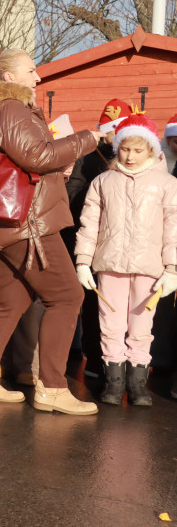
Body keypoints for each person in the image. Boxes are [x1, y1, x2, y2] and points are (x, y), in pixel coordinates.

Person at [0, 48, 102, 415]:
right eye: (32, 71)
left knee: (11, 301)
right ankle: (53, 387)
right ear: (8, 78)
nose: (38, 78)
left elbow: (26, 162)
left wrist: (56, 166)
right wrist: (88, 138)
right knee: (67, 297)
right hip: (28, 225)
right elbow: (36, 156)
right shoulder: (10, 108)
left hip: (6, 226)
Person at [74, 114, 177, 406]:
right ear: (117, 147)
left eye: (137, 150)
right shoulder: (103, 181)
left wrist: (172, 268)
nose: (130, 156)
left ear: (151, 151)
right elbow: (89, 223)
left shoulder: (166, 183)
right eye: (125, 149)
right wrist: (83, 261)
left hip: (149, 268)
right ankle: (114, 382)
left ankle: (138, 384)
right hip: (110, 265)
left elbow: (173, 228)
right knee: (110, 324)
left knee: (142, 326)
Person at [62, 98, 131, 376]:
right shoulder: (90, 157)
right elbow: (74, 197)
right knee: (93, 300)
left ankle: (127, 357)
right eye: (117, 130)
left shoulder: (139, 157)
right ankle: (95, 357)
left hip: (128, 241)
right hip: (96, 237)